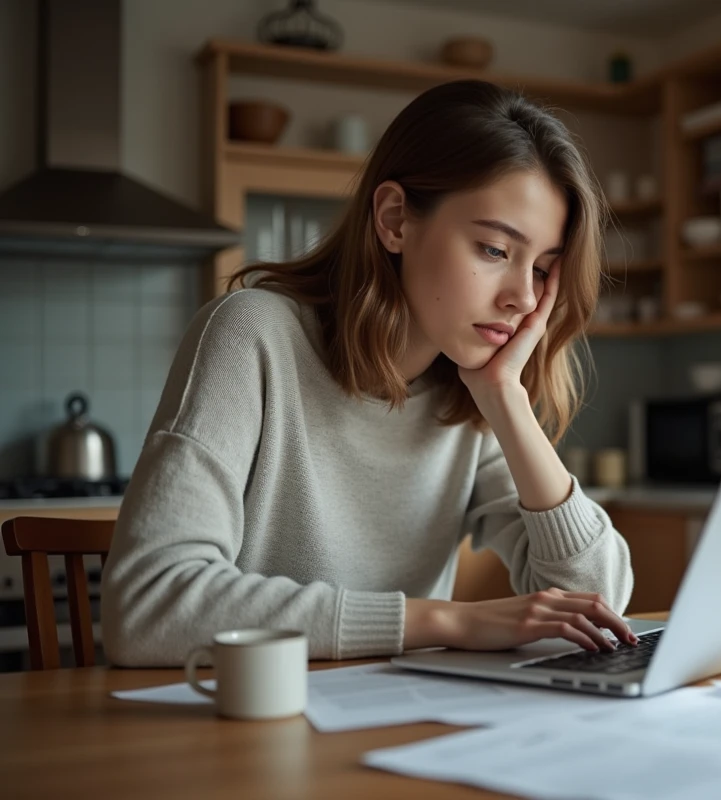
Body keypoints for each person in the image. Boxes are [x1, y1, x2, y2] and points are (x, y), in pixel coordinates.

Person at [101, 80, 636, 666]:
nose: (521, 298)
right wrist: (448, 620)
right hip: (247, 728)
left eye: (542, 269)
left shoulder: (470, 393)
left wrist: (507, 401)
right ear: (394, 219)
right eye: (493, 249)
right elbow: (146, 608)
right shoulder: (253, 336)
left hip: (402, 723)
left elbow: (600, 604)